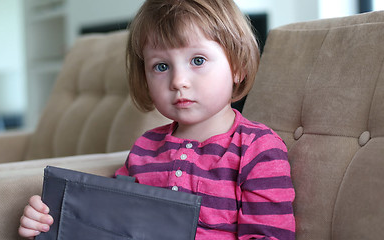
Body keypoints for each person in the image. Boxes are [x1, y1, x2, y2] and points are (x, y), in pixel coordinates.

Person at [18, 0, 296, 239]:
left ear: (238, 67)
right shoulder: (144, 148)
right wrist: (45, 220)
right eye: (161, 66)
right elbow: (110, 226)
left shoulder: (259, 150)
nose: (178, 81)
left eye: (197, 60)